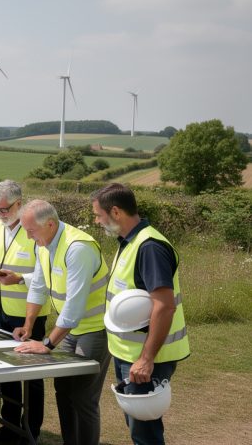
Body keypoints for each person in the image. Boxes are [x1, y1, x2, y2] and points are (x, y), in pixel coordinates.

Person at [91, 183, 190, 445]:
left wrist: (146, 359)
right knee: (136, 423)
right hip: (128, 353)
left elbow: (164, 306)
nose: (96, 221)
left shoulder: (150, 247)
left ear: (115, 212)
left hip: (148, 358)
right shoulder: (129, 241)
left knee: (145, 430)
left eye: (98, 215)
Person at [12, 200, 111, 445]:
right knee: (64, 392)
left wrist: (47, 343)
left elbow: (74, 307)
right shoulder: (43, 244)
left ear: (50, 224)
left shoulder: (78, 248)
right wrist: (28, 324)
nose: (28, 236)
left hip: (94, 330)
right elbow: (38, 285)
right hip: (70, 331)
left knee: (83, 397)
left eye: (31, 231)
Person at [0, 181, 49, 443]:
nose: (0, 215)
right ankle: (8, 427)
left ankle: (31, 431)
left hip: (29, 314)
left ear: (19, 203)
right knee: (5, 372)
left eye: (4, 209)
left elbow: (45, 273)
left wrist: (19, 278)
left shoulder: (37, 228)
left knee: (31, 376)